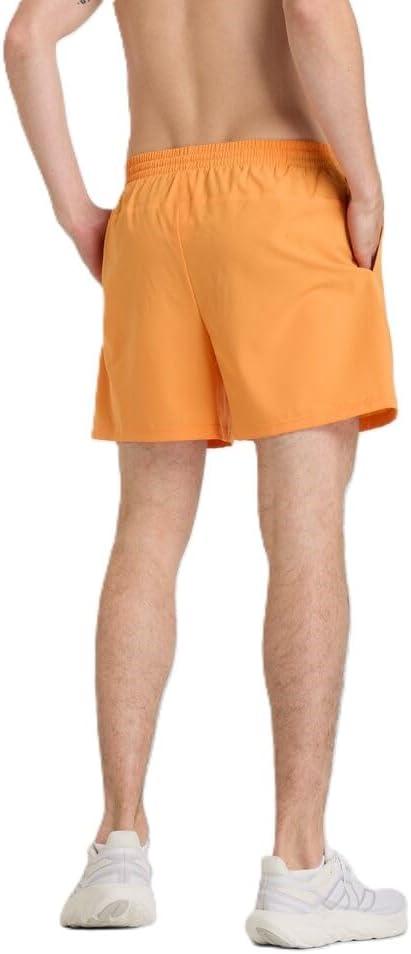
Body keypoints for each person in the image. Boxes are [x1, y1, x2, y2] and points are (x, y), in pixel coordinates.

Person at [4, 0, 406, 944]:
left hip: (153, 206)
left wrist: (77, 214)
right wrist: (366, 183)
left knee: (146, 528)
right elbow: (309, 10)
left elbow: (26, 37)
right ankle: (299, 869)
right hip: (282, 193)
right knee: (303, 529)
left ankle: (118, 844)